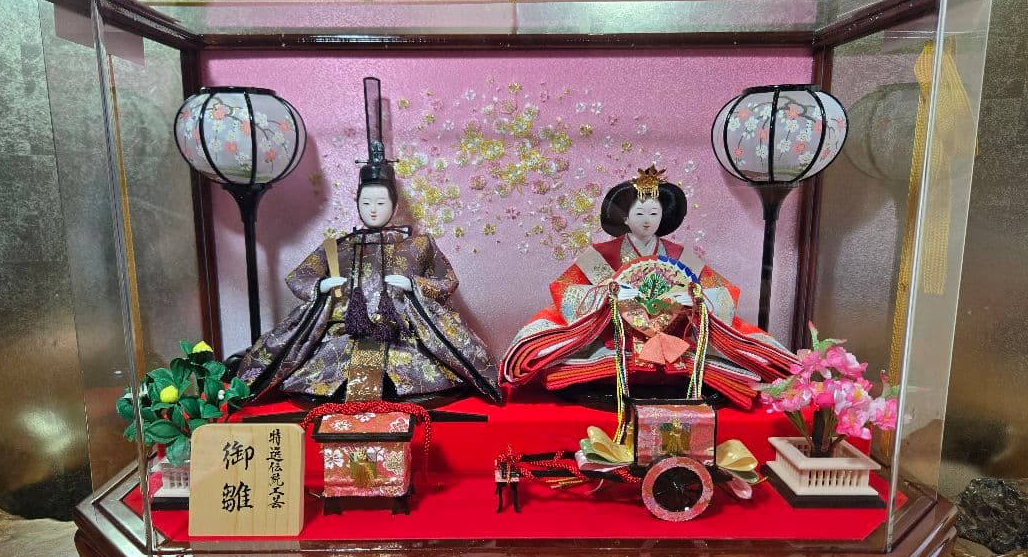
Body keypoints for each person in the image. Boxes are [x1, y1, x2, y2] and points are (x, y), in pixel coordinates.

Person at [500, 166, 794, 407]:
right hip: (614, 336)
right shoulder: (601, 255)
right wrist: (608, 295)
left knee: (727, 361)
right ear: (625, 217)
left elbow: (723, 292)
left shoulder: (680, 256)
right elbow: (565, 289)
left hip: (674, 336)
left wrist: (693, 298)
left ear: (663, 217)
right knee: (562, 362)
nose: (647, 221)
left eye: (654, 214)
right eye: (639, 214)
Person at [237, 166, 501, 404]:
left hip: (401, 335)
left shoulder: (419, 245)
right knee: (325, 378)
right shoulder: (337, 247)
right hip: (345, 335)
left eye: (381, 202)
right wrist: (322, 286)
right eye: (366, 202)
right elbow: (299, 277)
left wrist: (414, 285)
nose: (373, 209)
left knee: (416, 378)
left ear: (394, 205)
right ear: (357, 204)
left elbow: (446, 280)